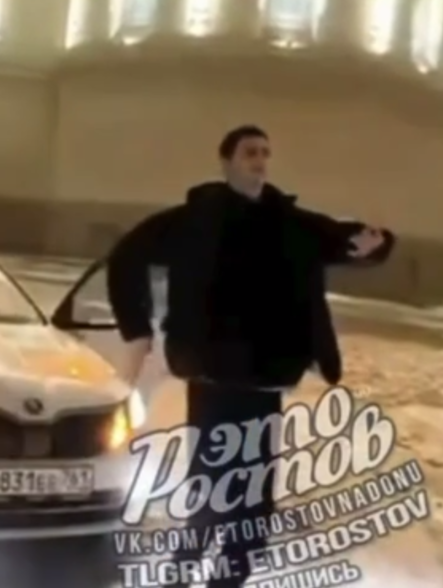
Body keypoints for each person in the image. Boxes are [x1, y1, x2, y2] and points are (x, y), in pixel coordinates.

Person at [105, 125, 394, 587]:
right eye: (249, 152)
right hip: (213, 381)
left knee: (254, 508)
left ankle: (223, 582)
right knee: (211, 495)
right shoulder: (192, 220)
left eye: (264, 152)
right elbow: (125, 257)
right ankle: (180, 579)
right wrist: (137, 327)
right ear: (226, 162)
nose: (259, 160)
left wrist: (372, 243)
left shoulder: (286, 221)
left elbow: (341, 238)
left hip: (263, 383)